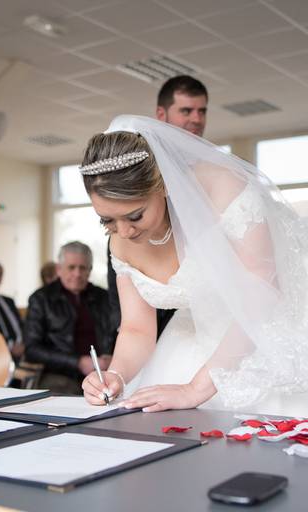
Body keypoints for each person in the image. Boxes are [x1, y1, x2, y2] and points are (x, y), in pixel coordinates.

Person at [79, 115, 308, 431]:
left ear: (162, 185)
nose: (124, 232)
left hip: (290, 318)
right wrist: (117, 374)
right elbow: (137, 329)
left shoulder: (222, 187)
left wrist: (196, 388)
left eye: (134, 215)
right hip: (203, 334)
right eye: (106, 221)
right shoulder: (121, 243)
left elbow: (261, 291)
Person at [105, 75, 210, 352]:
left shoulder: (210, 172)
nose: (196, 119)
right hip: (146, 288)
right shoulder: (136, 165)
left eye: (202, 111)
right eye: (186, 110)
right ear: (161, 115)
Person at [24, 242, 112, 395]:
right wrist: (78, 362)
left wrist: (112, 357)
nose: (77, 274)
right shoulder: (40, 299)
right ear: (59, 269)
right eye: (71, 267)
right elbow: (31, 349)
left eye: (83, 268)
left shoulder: (104, 297)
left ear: (90, 270)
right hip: (59, 374)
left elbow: (119, 333)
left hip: (104, 372)